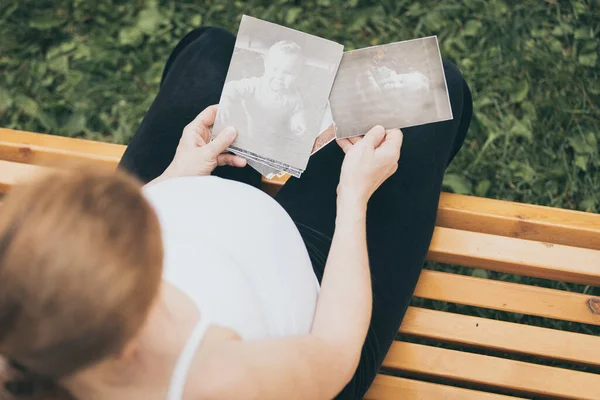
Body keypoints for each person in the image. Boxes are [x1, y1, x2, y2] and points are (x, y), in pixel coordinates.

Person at [0, 26, 472, 400]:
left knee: (210, 51)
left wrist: (176, 176)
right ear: (126, 339)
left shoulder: (30, 321)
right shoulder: (214, 383)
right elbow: (334, 350)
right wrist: (353, 198)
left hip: (208, 199)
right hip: (316, 292)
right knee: (434, 87)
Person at [218, 40, 308, 140]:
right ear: (266, 64)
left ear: (298, 75)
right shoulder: (256, 85)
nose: (279, 76)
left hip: (275, 133)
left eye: (288, 72)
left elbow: (298, 110)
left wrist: (298, 121)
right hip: (250, 128)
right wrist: (226, 100)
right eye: (274, 69)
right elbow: (233, 87)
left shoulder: (294, 96)